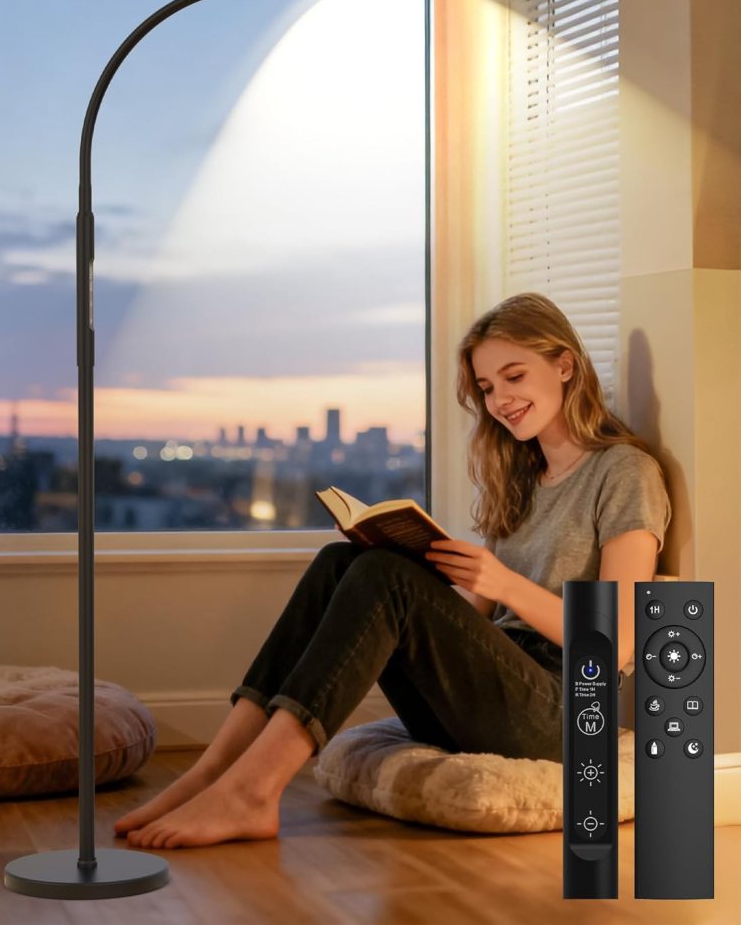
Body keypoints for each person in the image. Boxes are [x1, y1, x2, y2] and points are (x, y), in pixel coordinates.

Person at [114, 291, 671, 850]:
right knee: (343, 562)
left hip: (566, 711)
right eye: (486, 387)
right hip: (495, 691)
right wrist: (424, 578)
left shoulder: (625, 471)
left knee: (383, 576)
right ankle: (212, 772)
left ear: (564, 365)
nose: (500, 400)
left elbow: (618, 643)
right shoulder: (523, 476)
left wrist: (503, 583)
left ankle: (253, 793)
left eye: (514, 376)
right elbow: (479, 620)